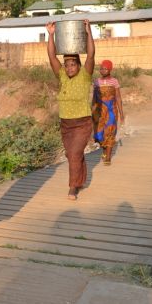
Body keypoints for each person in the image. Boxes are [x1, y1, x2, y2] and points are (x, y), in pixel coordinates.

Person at [45, 20, 95, 200]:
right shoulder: (62, 77)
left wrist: (88, 32)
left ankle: (73, 187)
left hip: (82, 123)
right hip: (65, 124)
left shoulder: (85, 76)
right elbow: (52, 57)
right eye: (66, 65)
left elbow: (90, 55)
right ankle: (80, 179)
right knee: (72, 154)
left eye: (72, 64)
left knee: (74, 154)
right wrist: (51, 35)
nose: (69, 68)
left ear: (79, 66)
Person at [92, 60, 124, 165]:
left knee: (110, 131)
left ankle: (108, 157)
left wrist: (121, 113)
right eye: (101, 68)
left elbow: (118, 98)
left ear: (110, 69)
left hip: (111, 112)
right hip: (100, 112)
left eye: (105, 68)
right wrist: (92, 110)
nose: (102, 70)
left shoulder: (114, 81)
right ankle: (104, 150)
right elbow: (94, 98)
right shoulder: (96, 82)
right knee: (100, 133)